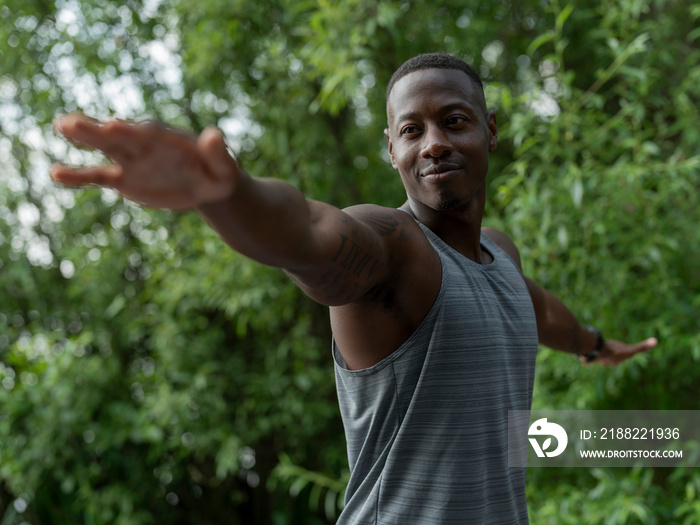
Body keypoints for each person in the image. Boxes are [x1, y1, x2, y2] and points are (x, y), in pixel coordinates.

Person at [50, 53, 657, 524]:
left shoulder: (499, 255)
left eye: (454, 121)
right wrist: (228, 194)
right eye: (411, 129)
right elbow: (309, 234)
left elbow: (538, 307)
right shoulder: (396, 248)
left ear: (490, 131)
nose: (434, 143)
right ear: (391, 148)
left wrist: (594, 344)